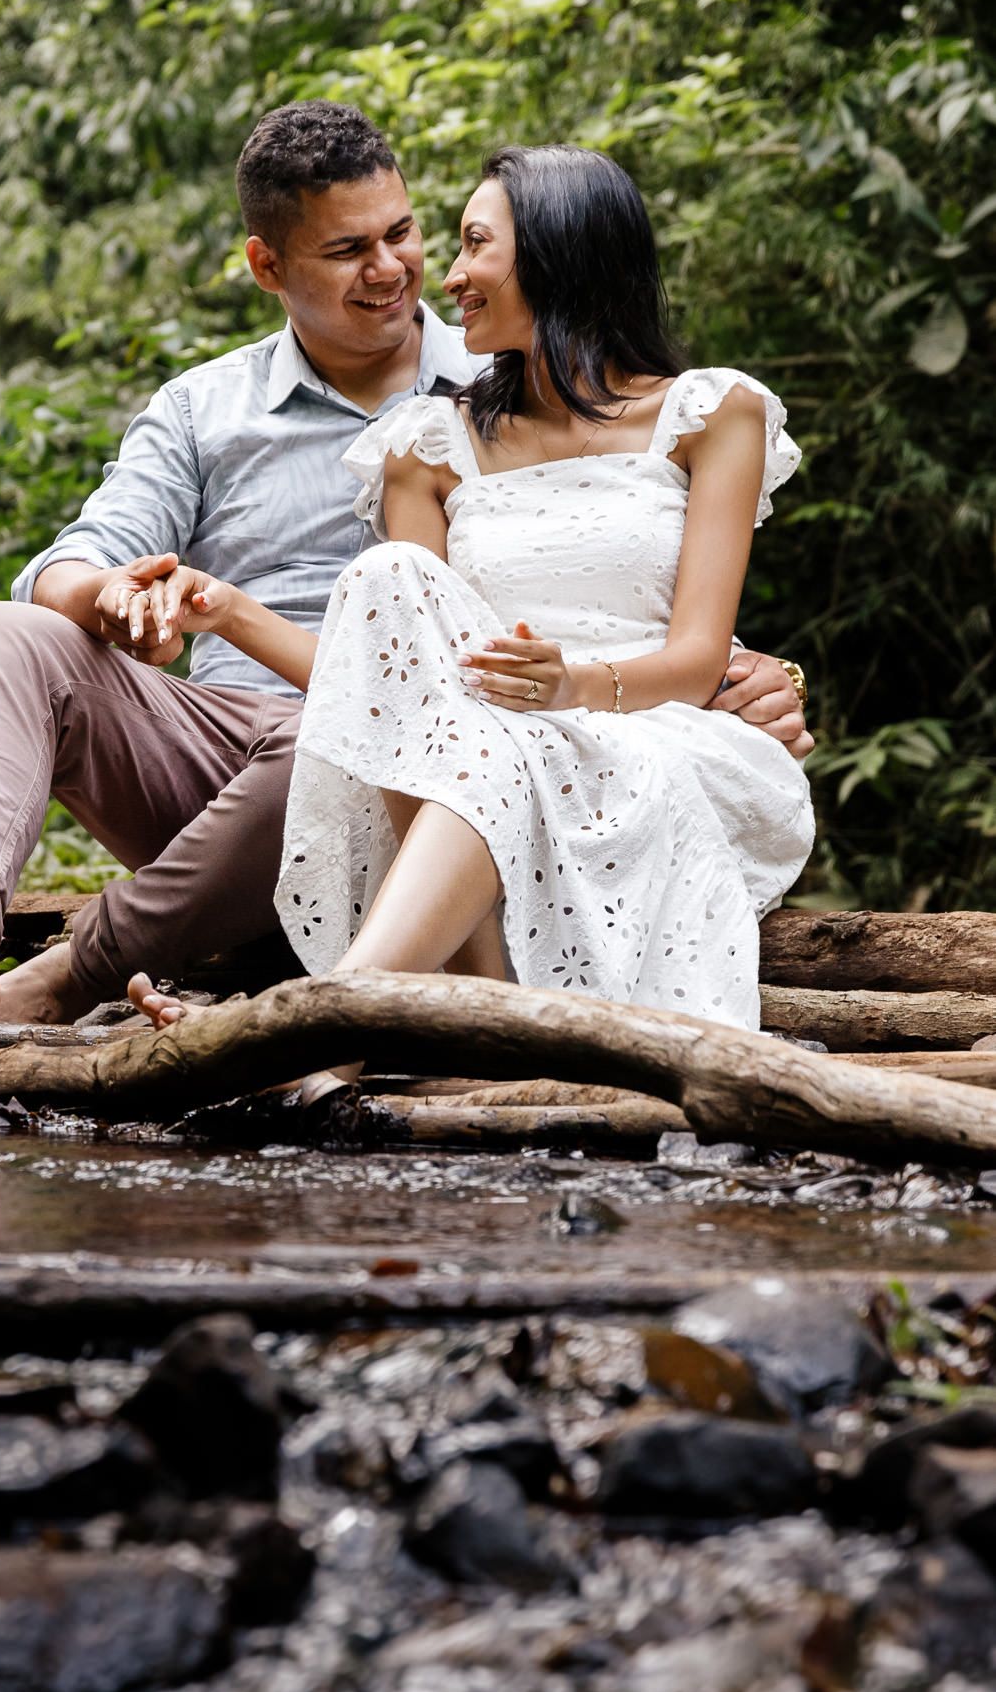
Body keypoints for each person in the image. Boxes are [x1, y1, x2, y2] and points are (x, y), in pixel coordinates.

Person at [0, 110, 809, 1042]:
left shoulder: (511, 378)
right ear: (265, 264)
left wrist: (734, 674)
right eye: (346, 250)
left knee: (361, 724)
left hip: (413, 751)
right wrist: (118, 598)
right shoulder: (208, 409)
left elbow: (605, 590)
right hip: (240, 753)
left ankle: (76, 975)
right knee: (6, 631)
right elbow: (67, 562)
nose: (397, 269)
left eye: (405, 234)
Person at [128, 143, 814, 1042]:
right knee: (391, 582)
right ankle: (462, 1016)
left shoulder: (709, 414)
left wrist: (570, 687)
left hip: (657, 735)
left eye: (472, 246)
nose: (446, 277)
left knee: (493, 749)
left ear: (557, 253)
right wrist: (230, 611)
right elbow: (396, 682)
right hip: (486, 741)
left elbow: (693, 661)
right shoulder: (427, 446)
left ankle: (322, 1029)